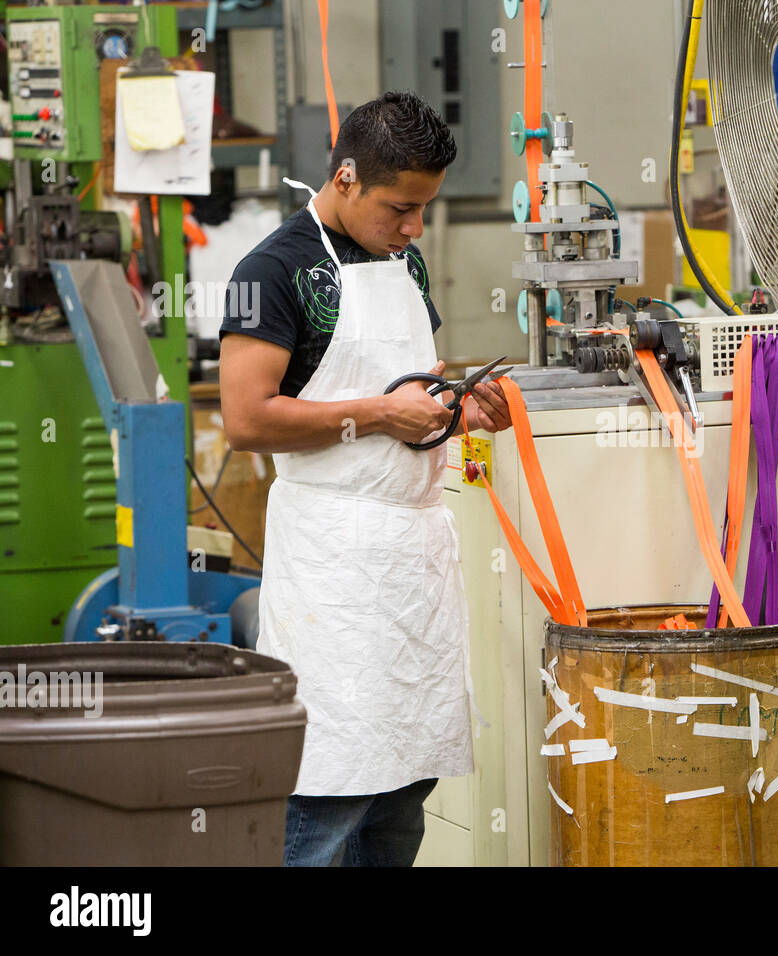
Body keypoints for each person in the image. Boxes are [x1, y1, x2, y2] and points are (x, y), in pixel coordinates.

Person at [218, 91, 511, 866]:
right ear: (345, 177)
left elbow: (410, 385)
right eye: (400, 207)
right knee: (329, 794)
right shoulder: (269, 272)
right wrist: (382, 416)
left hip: (410, 561)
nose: (415, 228)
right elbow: (246, 419)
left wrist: (460, 409)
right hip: (332, 566)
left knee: (401, 799)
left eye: (424, 209)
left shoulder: (400, 260)